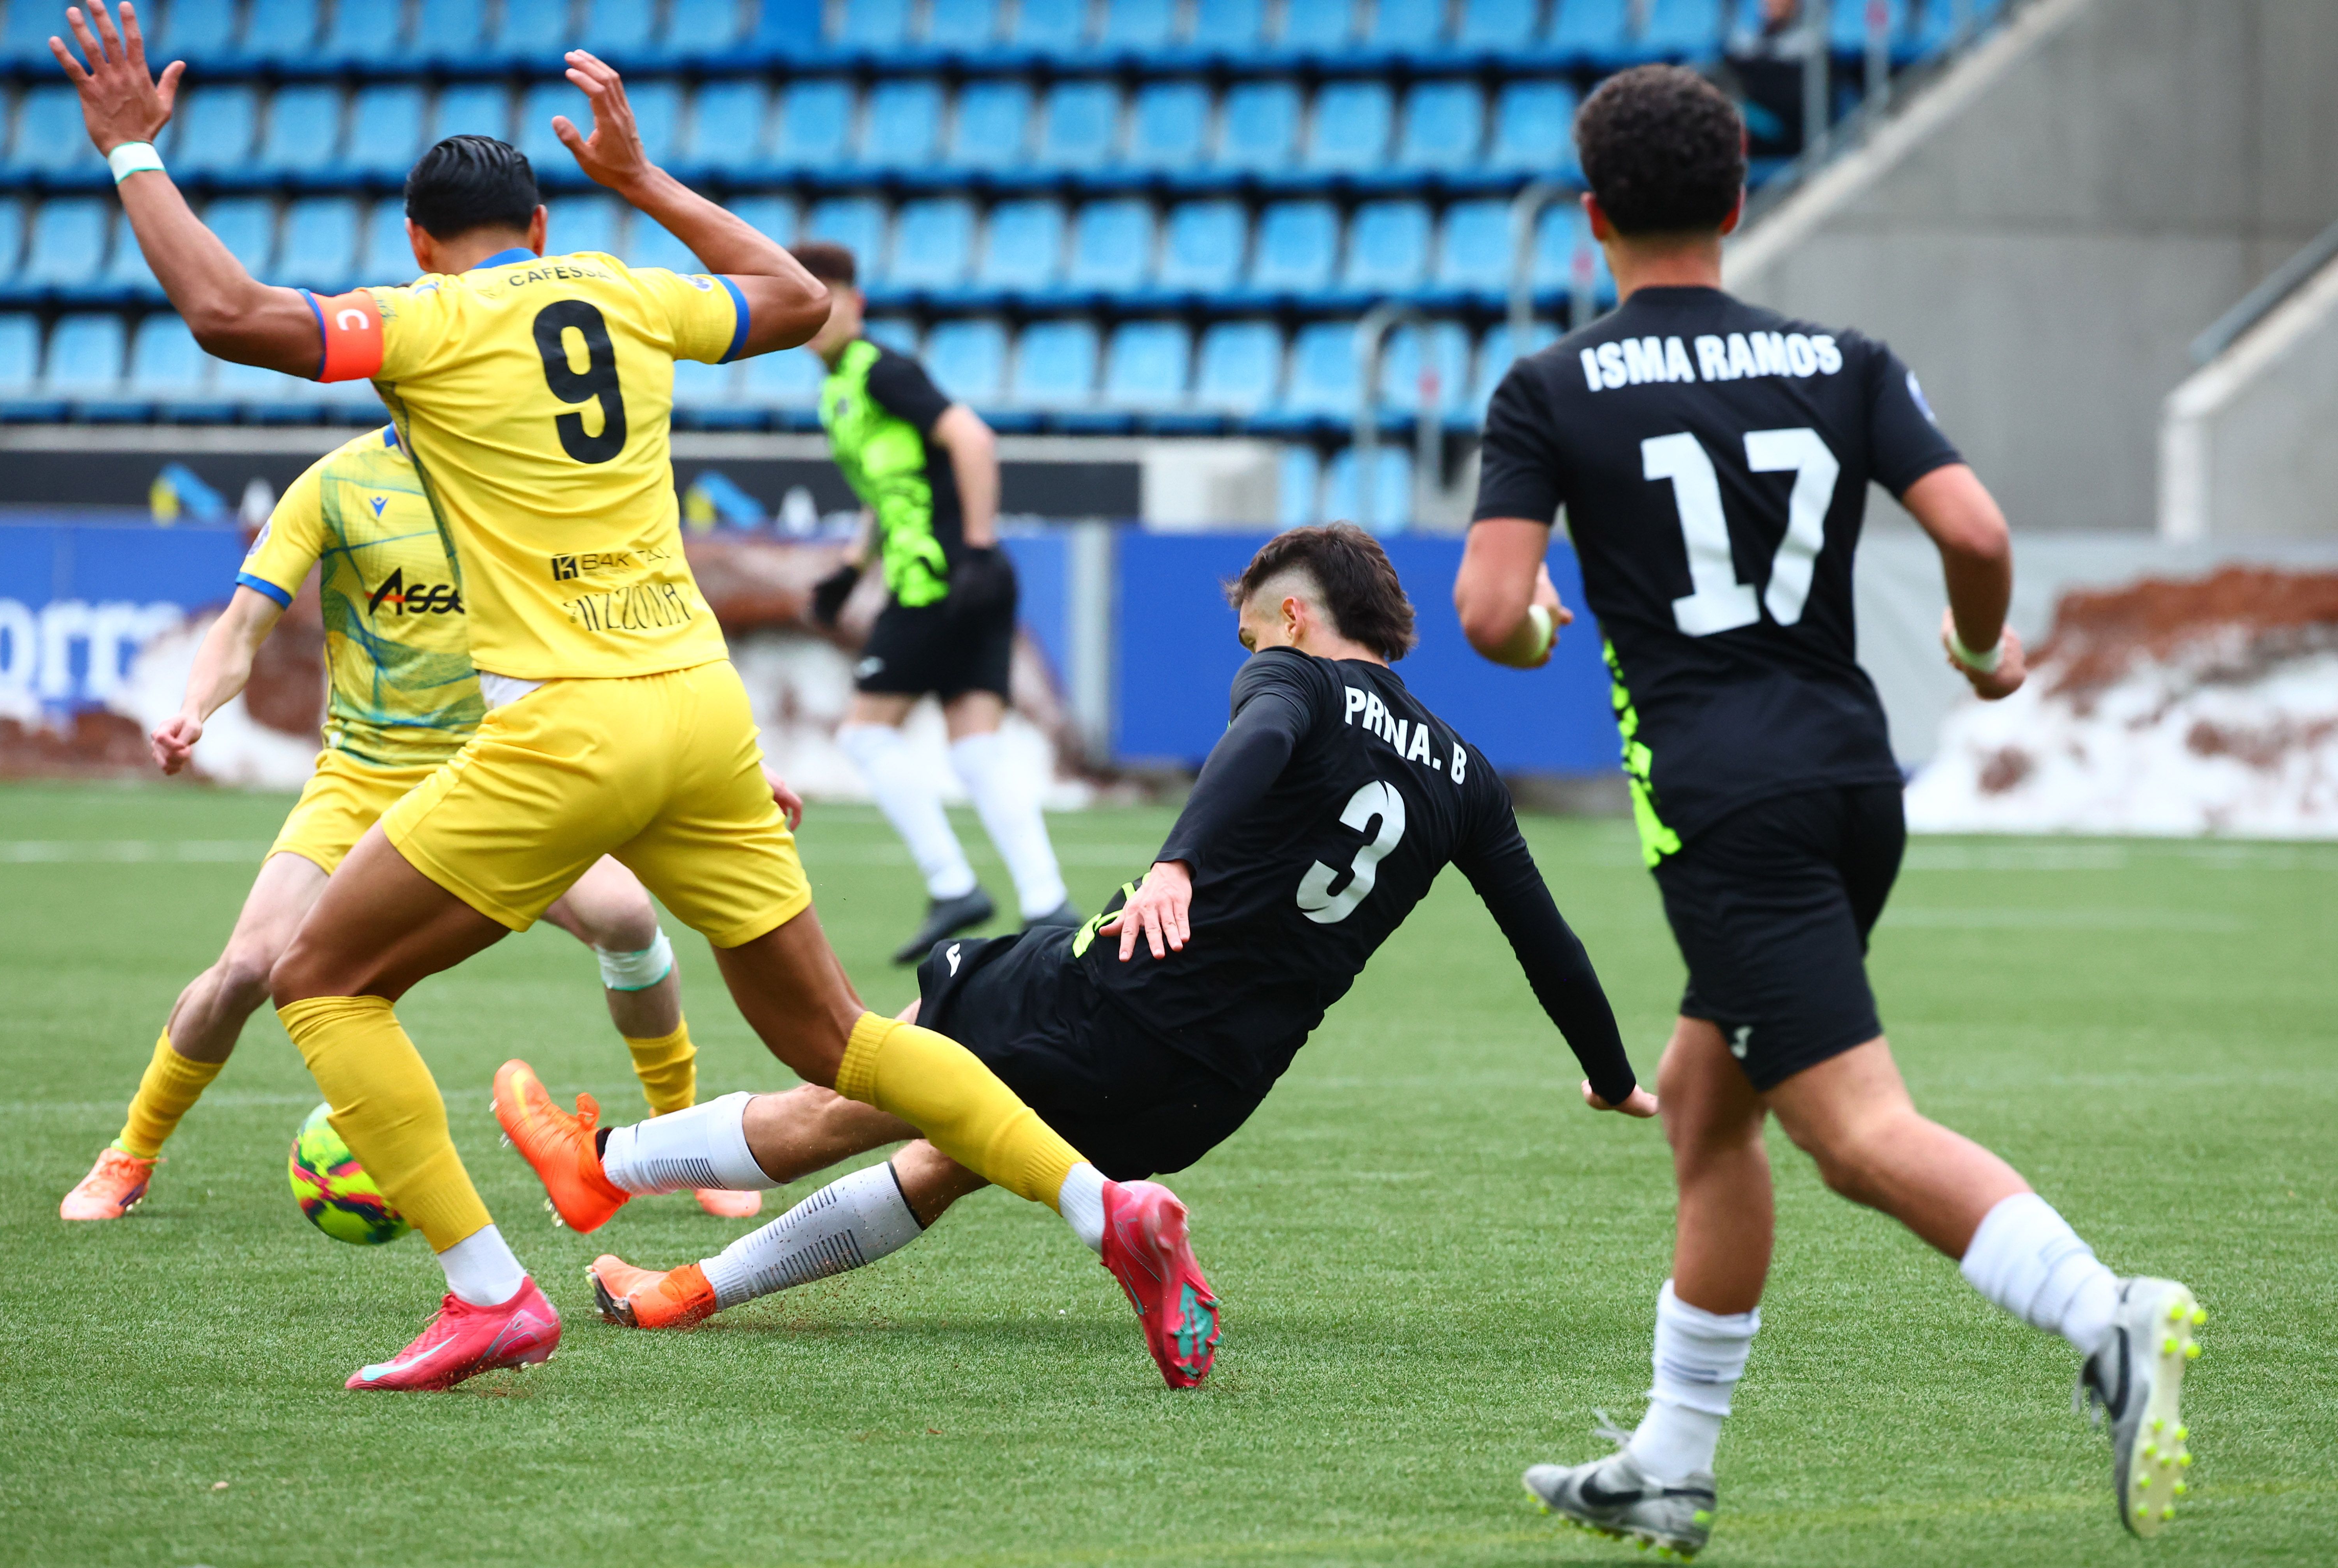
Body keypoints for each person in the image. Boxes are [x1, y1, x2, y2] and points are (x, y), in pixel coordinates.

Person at [56, 1, 1188, 1394]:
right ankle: (1106, 1206)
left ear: (420, 239)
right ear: (540, 227)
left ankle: (488, 1296)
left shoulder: (422, 319)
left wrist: (129, 156)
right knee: (840, 1040)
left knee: (318, 982)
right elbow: (796, 300)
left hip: (565, 725)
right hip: (703, 711)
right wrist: (644, 184)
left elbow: (230, 316)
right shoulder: (626, 287)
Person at [1455, 65, 2201, 1552]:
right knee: (1708, 1110)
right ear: (1741, 204)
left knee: (1856, 1137)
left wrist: (1543, 628)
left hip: (1729, 808)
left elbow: (1488, 614)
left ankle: (2106, 1315)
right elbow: (1976, 531)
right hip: (1856, 782)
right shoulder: (1842, 359)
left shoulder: (1549, 386)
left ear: (1593, 216)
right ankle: (1670, 1463)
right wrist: (1983, 652)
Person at [490, 526, 1655, 1391]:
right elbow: (1548, 943)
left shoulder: (1292, 679)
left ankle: (604, 1163)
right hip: (1213, 1090)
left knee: (856, 1076)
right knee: (951, 1157)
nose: (1246, 648)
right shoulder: (1464, 776)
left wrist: (1178, 864)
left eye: (1252, 627)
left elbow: (1261, 742)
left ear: (1296, 616)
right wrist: (1609, 1076)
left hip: (1109, 997)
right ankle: (686, 1293)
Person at [57, 426, 762, 1225]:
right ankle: (132, 1150)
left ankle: (682, 1143)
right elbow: (242, 625)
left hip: (509, 767)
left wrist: (725, 752)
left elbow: (622, 625)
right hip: (366, 776)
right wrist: (191, 708)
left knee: (628, 919)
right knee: (251, 964)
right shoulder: (336, 483)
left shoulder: (529, 471)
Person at [795, 241, 1078, 963]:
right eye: (806, 301)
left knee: (865, 734)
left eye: (830, 302)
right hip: (963, 577)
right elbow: (893, 490)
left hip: (940, 580)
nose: (818, 317)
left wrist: (977, 548)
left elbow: (972, 439)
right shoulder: (839, 389)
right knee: (976, 745)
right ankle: (1047, 901)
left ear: (855, 306)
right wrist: (853, 568)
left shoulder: (881, 370)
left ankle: (953, 884)